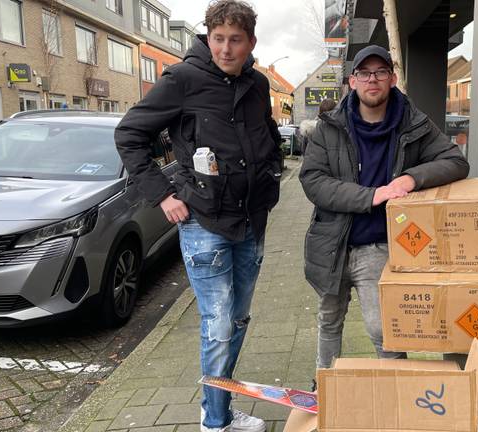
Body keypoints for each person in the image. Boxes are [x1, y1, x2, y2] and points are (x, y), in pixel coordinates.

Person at [114, 1, 282, 431]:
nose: (225, 49)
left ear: (251, 43)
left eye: (235, 40)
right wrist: (164, 195)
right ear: (208, 37)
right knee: (219, 323)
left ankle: (220, 409)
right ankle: (214, 423)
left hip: (251, 221)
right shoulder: (183, 79)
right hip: (204, 221)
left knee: (238, 320)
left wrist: (272, 174)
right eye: (218, 39)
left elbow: (266, 135)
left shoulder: (260, 85)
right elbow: (130, 135)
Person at [299, 45, 470, 372]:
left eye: (380, 72)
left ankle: (396, 391)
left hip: (378, 245)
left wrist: (410, 178)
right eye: (364, 73)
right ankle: (324, 387)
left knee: (386, 329)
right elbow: (313, 181)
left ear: (392, 79)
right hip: (331, 243)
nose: (372, 79)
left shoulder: (414, 124)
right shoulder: (328, 127)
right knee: (329, 320)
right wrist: (372, 196)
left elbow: (455, 161)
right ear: (353, 81)